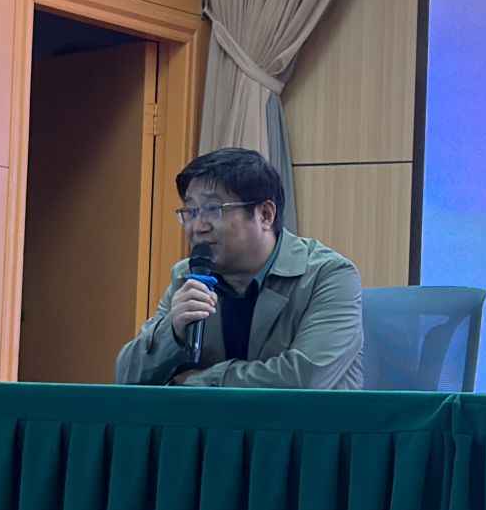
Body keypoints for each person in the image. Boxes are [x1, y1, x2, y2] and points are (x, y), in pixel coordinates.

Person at [114, 148, 364, 388]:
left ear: (265, 214)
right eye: (190, 211)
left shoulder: (328, 275)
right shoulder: (190, 275)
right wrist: (173, 331)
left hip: (302, 420)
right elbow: (127, 376)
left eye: (213, 209)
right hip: (210, 420)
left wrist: (197, 382)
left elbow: (304, 379)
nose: (198, 227)